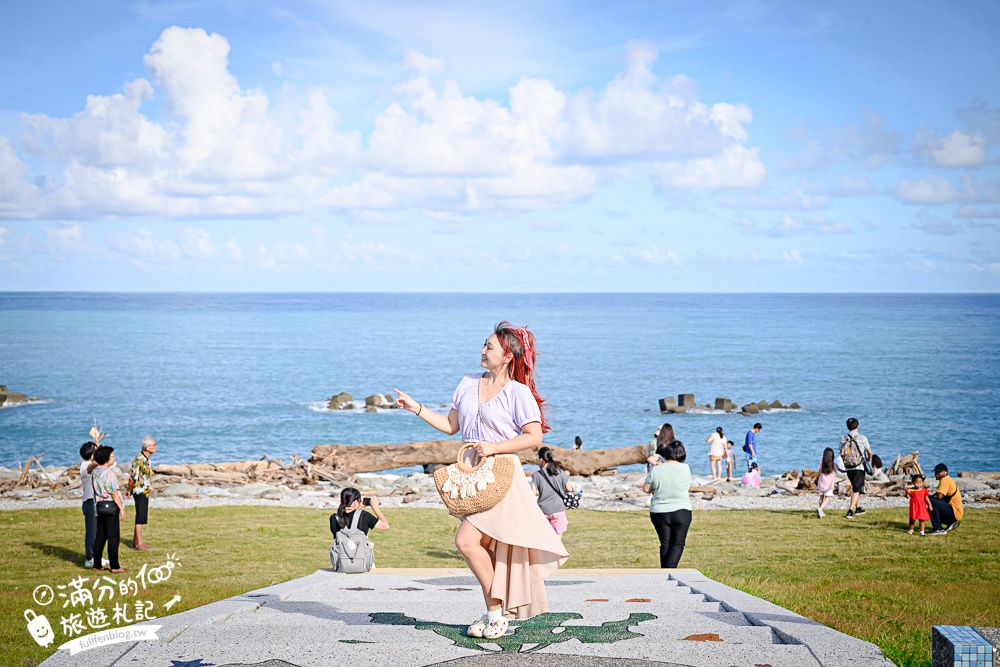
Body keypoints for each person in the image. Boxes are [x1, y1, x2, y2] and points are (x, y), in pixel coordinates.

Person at [393, 321, 568, 640]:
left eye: (489, 347)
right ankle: (496, 614)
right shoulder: (468, 381)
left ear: (506, 356)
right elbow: (450, 426)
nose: (482, 350)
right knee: (484, 547)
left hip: (502, 475)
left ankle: (496, 614)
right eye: (483, 344)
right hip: (473, 474)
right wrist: (415, 407)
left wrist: (495, 447)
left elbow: (533, 437)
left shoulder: (518, 392)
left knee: (466, 541)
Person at [642, 439, 692, 568]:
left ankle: (664, 572)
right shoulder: (686, 468)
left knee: (665, 543)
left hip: (659, 511)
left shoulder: (657, 470)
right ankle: (669, 570)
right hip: (682, 510)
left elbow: (646, 489)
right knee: (678, 543)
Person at [91, 445, 127, 574]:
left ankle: (97, 563)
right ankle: (115, 566)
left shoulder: (95, 471)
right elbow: (114, 493)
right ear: (106, 458)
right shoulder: (109, 473)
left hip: (99, 506)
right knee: (113, 537)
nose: (114, 457)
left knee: (100, 536)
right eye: (112, 456)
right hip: (110, 507)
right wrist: (122, 509)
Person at [531, 447, 574, 538]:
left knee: (546, 537)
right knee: (558, 535)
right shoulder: (560, 472)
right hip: (558, 508)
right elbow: (569, 489)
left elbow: (532, 495)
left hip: (543, 510)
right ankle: (557, 552)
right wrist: (566, 476)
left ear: (541, 459)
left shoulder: (536, 475)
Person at [126, 436, 157, 551]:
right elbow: (132, 478)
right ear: (147, 447)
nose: (156, 447)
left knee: (141, 515)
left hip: (144, 489)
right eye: (154, 445)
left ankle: (135, 541)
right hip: (139, 490)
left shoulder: (146, 459)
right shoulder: (139, 460)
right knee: (140, 516)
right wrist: (129, 490)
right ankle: (139, 543)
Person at [840, 417, 872, 519]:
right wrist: (868, 459)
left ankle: (858, 508)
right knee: (857, 489)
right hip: (859, 466)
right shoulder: (862, 438)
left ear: (847, 427)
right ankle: (850, 511)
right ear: (857, 426)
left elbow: (841, 453)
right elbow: (869, 452)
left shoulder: (844, 438)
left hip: (848, 467)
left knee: (855, 487)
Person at [927, 463, 963, 534]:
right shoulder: (947, 479)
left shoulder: (945, 479)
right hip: (956, 513)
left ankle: (937, 528)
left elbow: (939, 496)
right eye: (935, 472)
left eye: (938, 472)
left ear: (945, 472)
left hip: (954, 512)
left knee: (931, 502)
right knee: (931, 502)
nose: (936, 474)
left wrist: (929, 498)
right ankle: (950, 523)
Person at [79, 441, 99, 568]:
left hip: (96, 501)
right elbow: (91, 468)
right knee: (91, 531)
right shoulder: (85, 465)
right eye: (95, 451)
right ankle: (89, 558)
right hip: (90, 501)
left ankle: (97, 556)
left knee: (99, 531)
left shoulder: (92, 464)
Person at [816, 447, 836, 518]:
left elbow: (819, 473)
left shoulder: (821, 465)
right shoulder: (834, 466)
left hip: (821, 484)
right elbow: (840, 470)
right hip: (829, 485)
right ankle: (820, 509)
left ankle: (821, 511)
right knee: (827, 497)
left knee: (821, 497)